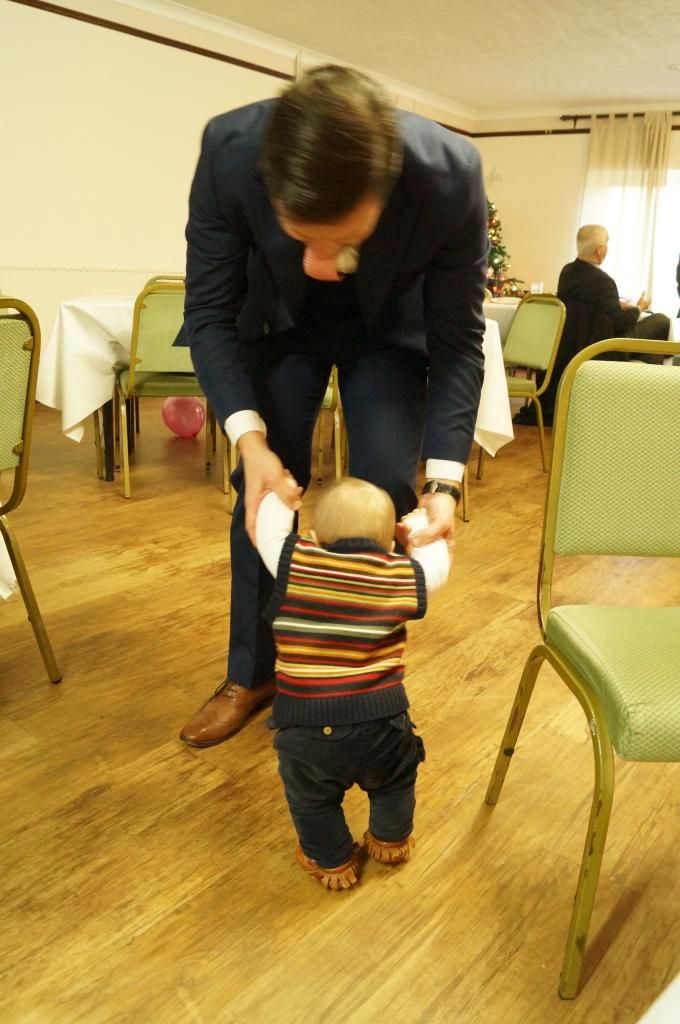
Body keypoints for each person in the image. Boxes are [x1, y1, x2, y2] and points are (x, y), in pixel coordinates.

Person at [179, 64, 488, 748]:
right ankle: (252, 674)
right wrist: (250, 442)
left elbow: (459, 342)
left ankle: (361, 680)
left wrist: (443, 484)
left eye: (342, 240)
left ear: (386, 190)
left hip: (389, 332)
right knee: (262, 491)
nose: (320, 262)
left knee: (384, 492)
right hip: (280, 324)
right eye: (302, 236)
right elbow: (209, 314)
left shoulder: (449, 175)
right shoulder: (230, 152)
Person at [255, 477, 450, 889]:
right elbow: (437, 567)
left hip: (307, 726)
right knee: (395, 781)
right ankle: (391, 839)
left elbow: (267, 532)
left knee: (311, 799)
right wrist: (418, 529)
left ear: (313, 537)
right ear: (389, 543)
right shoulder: (399, 574)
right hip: (383, 721)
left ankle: (333, 861)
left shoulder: (297, 562)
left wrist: (281, 495)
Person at [514, 224, 670, 426]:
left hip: (572, 345)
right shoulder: (604, 281)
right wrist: (640, 307)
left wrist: (616, 304)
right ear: (600, 250)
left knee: (650, 349)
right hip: (603, 347)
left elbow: (589, 305)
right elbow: (621, 321)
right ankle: (650, 401)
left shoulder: (567, 272)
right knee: (661, 321)